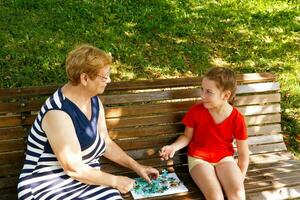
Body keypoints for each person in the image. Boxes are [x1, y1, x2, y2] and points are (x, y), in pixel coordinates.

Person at [17, 44, 159, 200]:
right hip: (48, 185)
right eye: (104, 76)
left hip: (87, 180)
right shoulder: (57, 112)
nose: (109, 80)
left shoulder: (93, 101)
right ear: (84, 78)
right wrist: (115, 180)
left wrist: (137, 167)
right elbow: (73, 168)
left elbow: (106, 143)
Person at [160, 67, 249, 200]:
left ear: (225, 95)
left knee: (237, 194)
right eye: (202, 89)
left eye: (209, 92)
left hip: (224, 158)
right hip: (199, 159)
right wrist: (173, 147)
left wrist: (238, 180)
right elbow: (186, 136)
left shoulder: (237, 118)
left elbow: (243, 154)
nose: (202, 95)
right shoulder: (196, 111)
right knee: (215, 196)